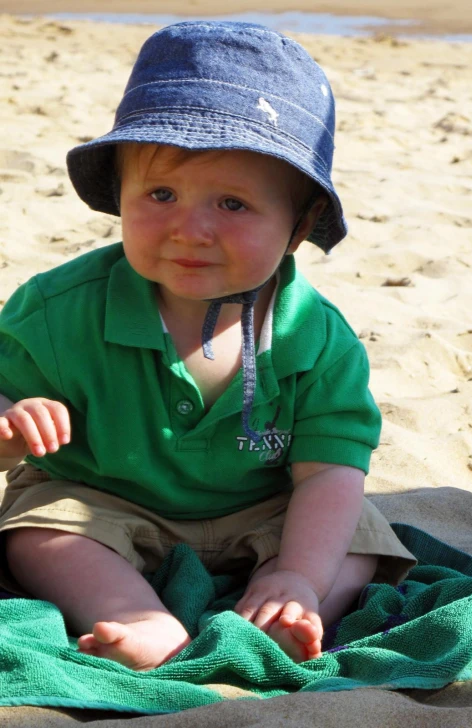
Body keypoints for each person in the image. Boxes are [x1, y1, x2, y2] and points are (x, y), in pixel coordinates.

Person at [0, 21, 416, 671]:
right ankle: (137, 618)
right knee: (40, 533)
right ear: (120, 193)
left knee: (358, 537)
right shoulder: (58, 310)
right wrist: (10, 424)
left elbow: (328, 471)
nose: (190, 229)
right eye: (160, 193)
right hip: (105, 498)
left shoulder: (316, 336)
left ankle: (282, 609)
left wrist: (300, 576)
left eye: (232, 203)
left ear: (299, 225)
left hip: (263, 506)